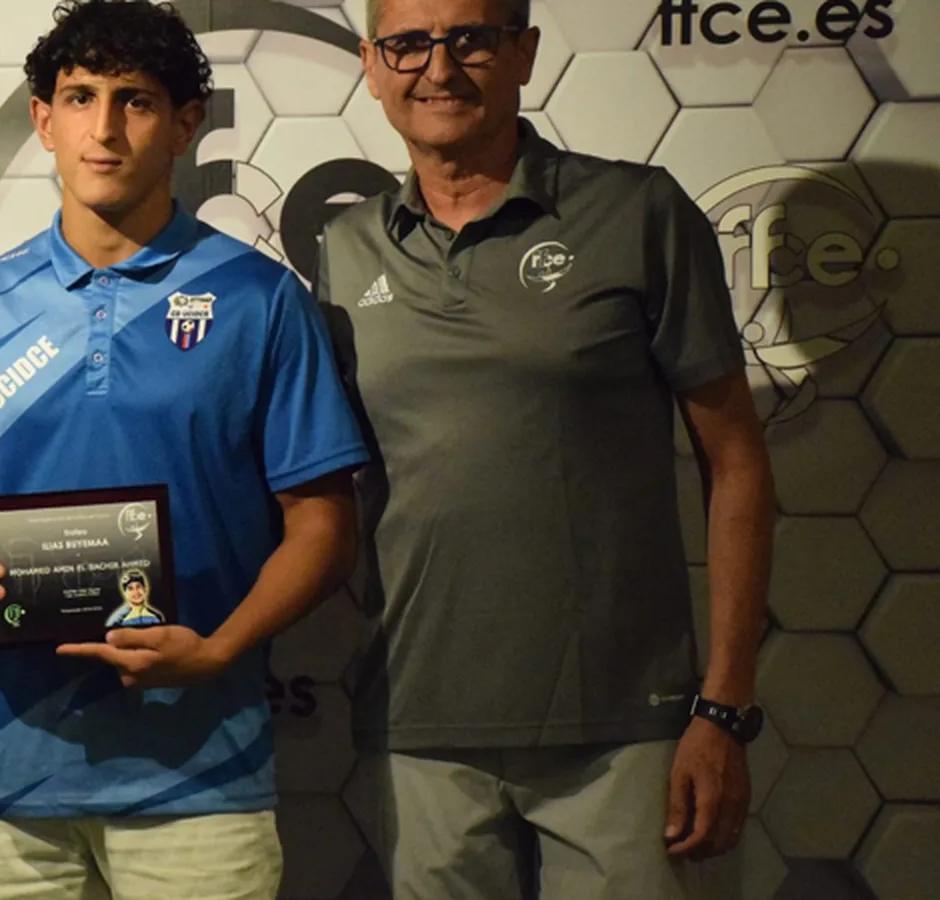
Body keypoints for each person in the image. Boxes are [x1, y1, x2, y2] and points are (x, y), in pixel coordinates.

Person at [0, 1, 369, 897]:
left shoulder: (259, 299)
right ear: (44, 120)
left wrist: (220, 650)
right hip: (13, 781)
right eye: (80, 97)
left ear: (186, 125)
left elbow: (324, 525)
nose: (103, 129)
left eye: (135, 100)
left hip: (204, 783)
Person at [320, 1, 776, 898]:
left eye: (470, 39)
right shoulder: (346, 246)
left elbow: (738, 464)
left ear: (524, 52)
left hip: (622, 724)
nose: (438, 69)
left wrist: (723, 707)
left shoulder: (637, 211)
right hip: (419, 722)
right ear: (372, 66)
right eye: (407, 45)